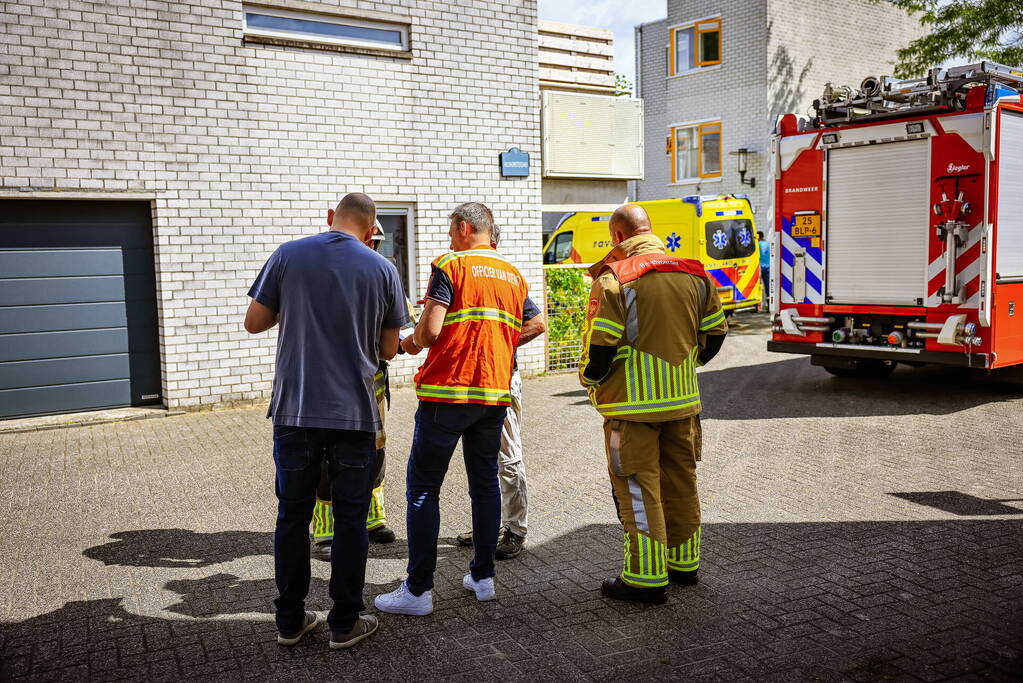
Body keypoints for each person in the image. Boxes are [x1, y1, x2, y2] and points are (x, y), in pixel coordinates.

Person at [245, 193, 407, 648]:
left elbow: (253, 322)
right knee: (352, 519)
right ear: (371, 228)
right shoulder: (383, 269)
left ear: (330, 218)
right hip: (354, 414)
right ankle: (344, 624)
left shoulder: (288, 254)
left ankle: (290, 622)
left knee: (292, 517)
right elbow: (390, 349)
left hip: (295, 411)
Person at [375, 202, 527, 616]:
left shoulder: (452, 265)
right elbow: (533, 324)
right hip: (493, 395)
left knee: (423, 490)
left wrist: (408, 343)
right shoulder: (514, 275)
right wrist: (497, 349)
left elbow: (431, 329)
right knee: (485, 485)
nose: (447, 240)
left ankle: (419, 591)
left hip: (448, 392)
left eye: (449, 231)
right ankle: (482, 578)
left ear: (463, 228)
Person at [578, 204, 727, 605]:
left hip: (632, 409)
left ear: (617, 237)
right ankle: (684, 564)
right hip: (684, 404)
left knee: (638, 487)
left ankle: (645, 578)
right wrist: (688, 364)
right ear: (650, 231)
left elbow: (601, 349)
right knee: (682, 481)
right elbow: (715, 335)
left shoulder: (616, 278)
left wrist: (590, 381)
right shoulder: (694, 272)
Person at [455, 221, 546, 560]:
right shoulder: (469, 275)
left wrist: (500, 345)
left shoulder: (503, 277)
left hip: (502, 379)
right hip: (476, 382)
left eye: (454, 233)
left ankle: (515, 530)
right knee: (482, 458)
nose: (453, 242)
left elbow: (537, 322)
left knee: (506, 456)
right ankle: (489, 524)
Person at [310, 222, 399, 560]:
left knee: (375, 451)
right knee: (327, 457)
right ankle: (326, 528)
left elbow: (393, 330)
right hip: (329, 389)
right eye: (370, 241)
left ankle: (373, 519)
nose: (372, 248)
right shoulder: (324, 274)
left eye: (375, 243)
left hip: (370, 389)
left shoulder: (380, 273)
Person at [758, 230, 771, 309]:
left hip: (760, 268)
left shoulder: (758, 244)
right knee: (768, 287)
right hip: (768, 267)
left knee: (758, 287)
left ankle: (758, 306)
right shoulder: (768, 244)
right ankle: (769, 306)